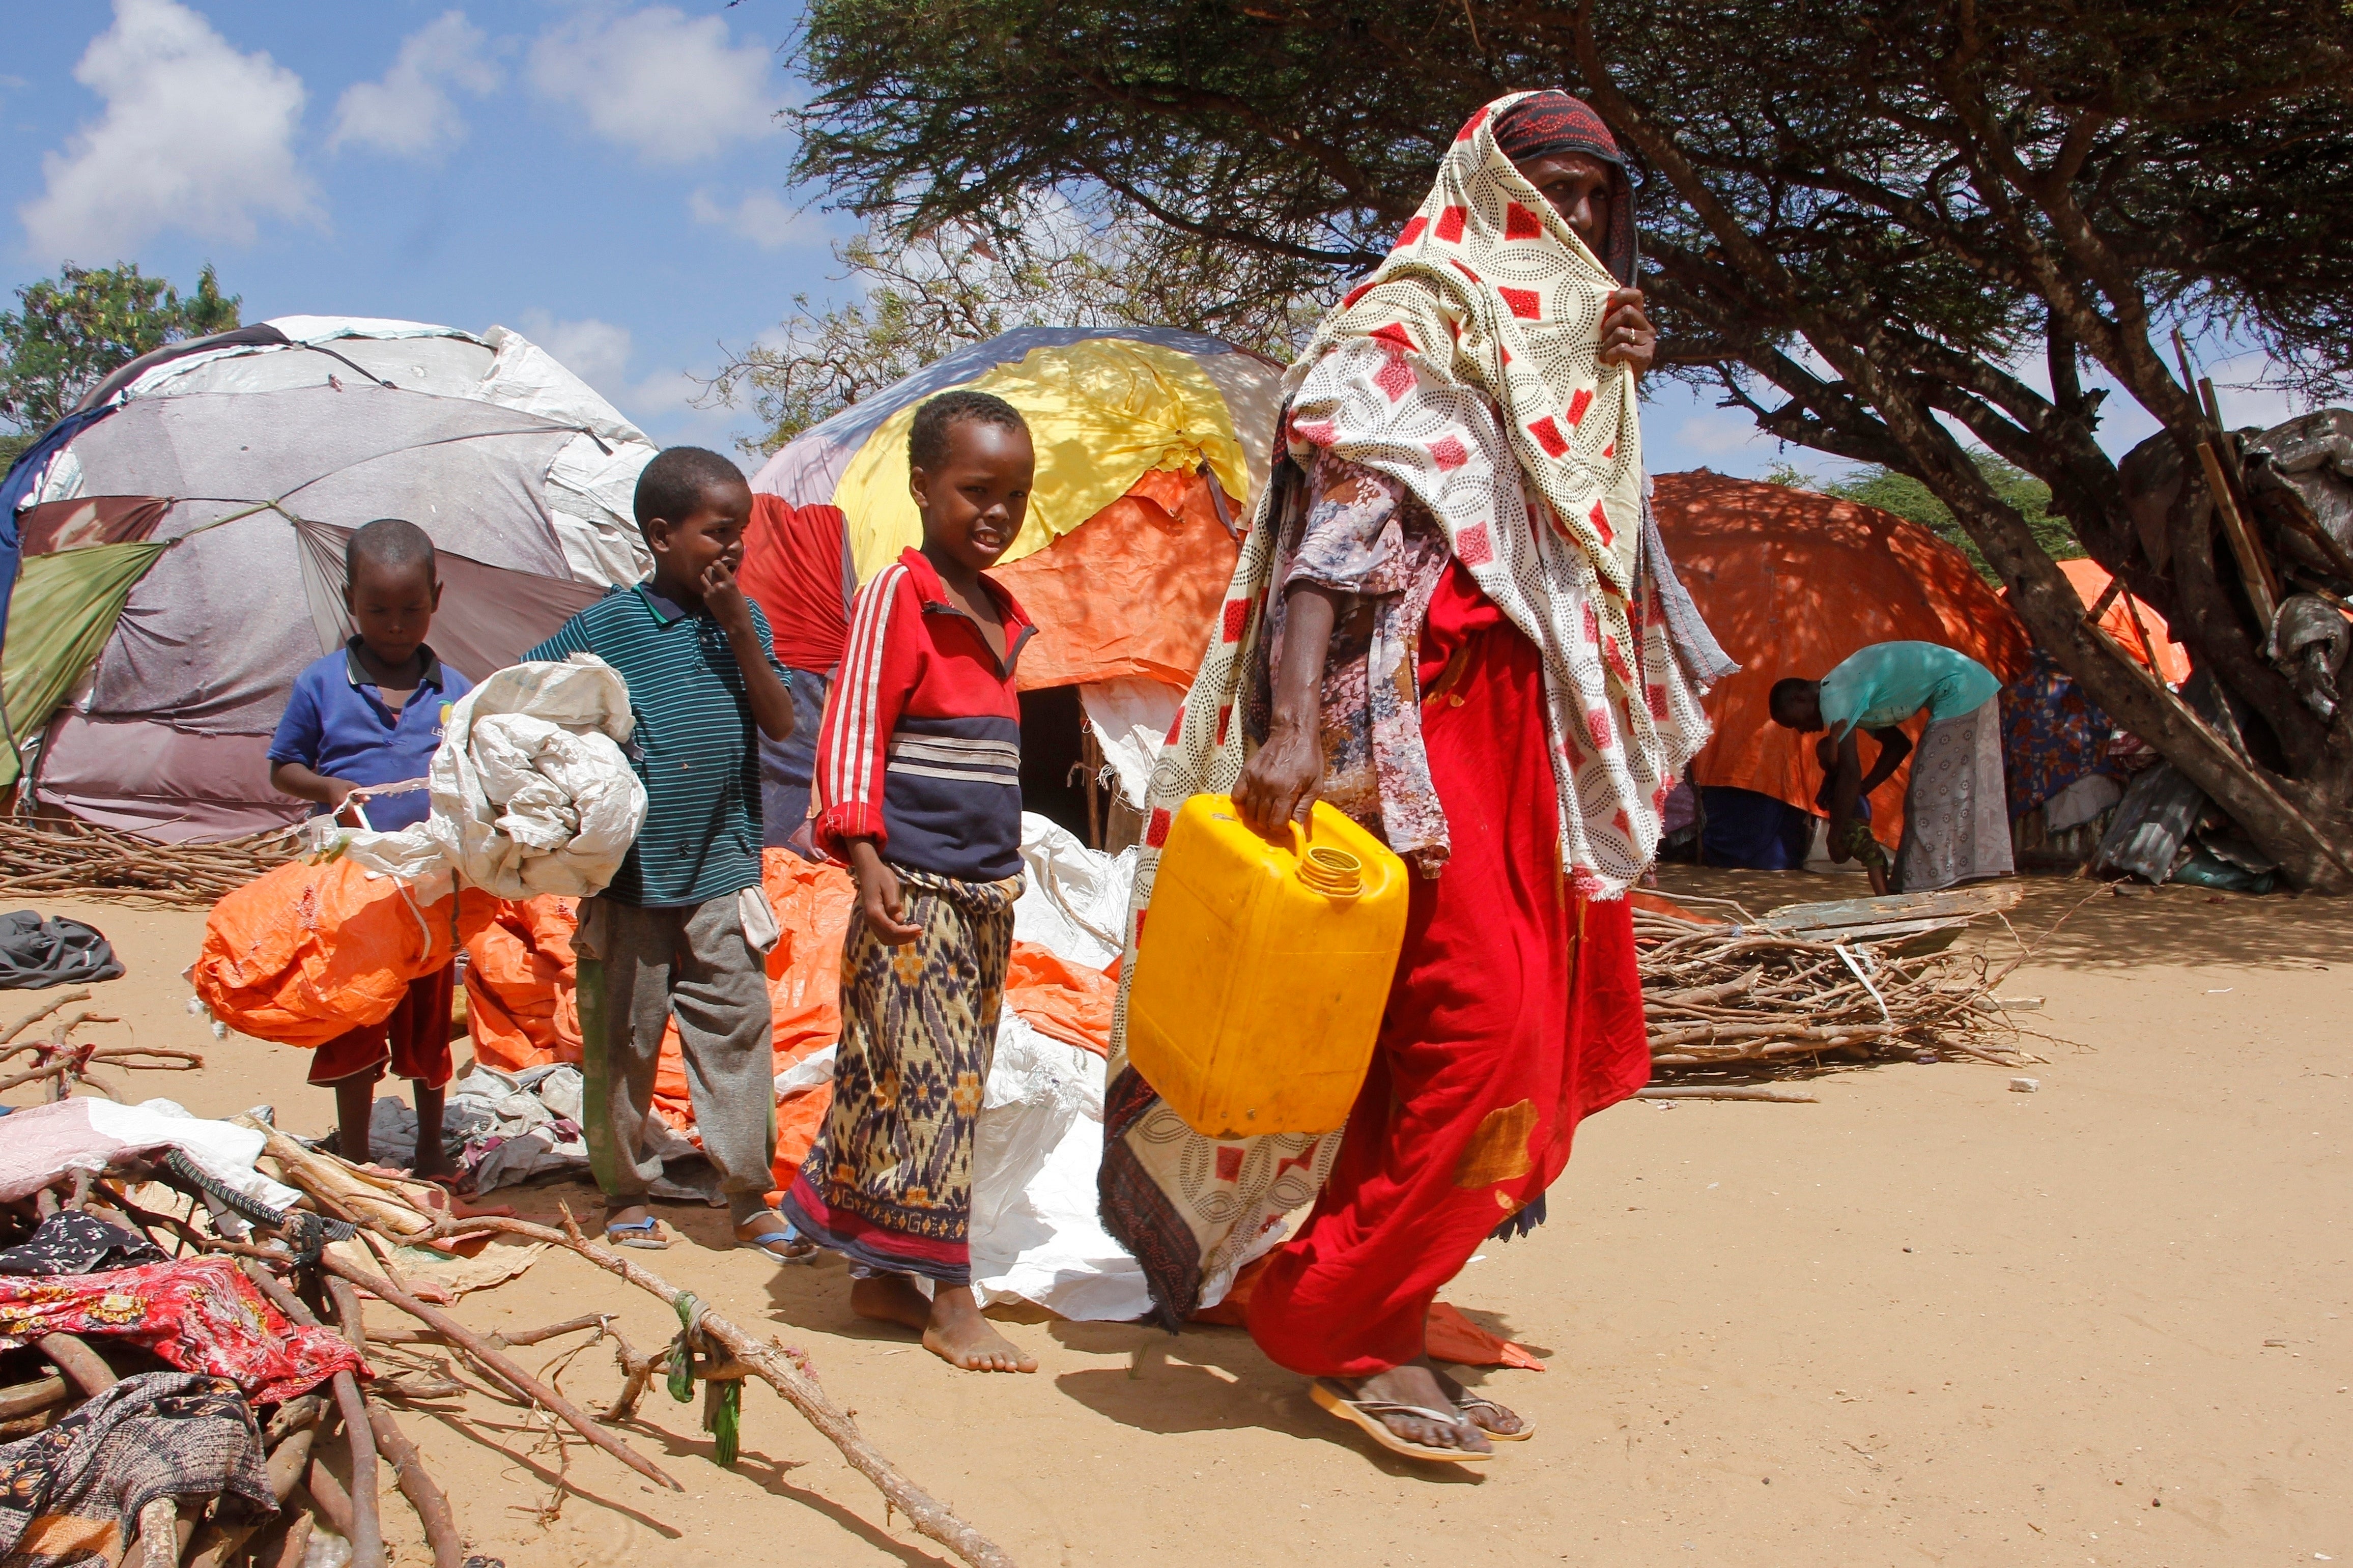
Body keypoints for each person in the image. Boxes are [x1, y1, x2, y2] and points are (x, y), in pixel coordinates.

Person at [1098, 90, 1723, 1462]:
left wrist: (1601, 370)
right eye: (1548, 186)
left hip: (1529, 742)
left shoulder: (1571, 352)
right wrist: (1288, 726)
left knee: (1499, 1046)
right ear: (1489, 188)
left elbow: (1584, 545)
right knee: (1477, 1037)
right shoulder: (1411, 314)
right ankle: (1328, 1321)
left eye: (1594, 194)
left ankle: (1381, 1306)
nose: (1571, 218)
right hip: (1412, 740)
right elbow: (1331, 535)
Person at [781, 390, 1040, 1374]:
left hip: (980, 896)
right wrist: (861, 853)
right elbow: (854, 723)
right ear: (923, 485)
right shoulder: (902, 593)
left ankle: (874, 1273)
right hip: (914, 891)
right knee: (935, 1084)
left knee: (897, 1072)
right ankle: (951, 1297)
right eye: (976, 489)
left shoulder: (1001, 614)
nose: (996, 512)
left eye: (1014, 494)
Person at [523, 446, 804, 1258]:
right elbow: (531, 699)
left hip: (721, 868)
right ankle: (624, 1191)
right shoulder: (607, 626)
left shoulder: (742, 623)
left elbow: (781, 723)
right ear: (659, 535)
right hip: (628, 880)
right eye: (717, 532)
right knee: (622, 1040)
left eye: (740, 534)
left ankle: (748, 1192)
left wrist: (737, 631)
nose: (733, 549)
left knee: (736, 1031)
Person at [267, 518, 472, 1178]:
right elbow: (283, 766)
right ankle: (353, 1152)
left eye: (410, 609)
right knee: (352, 1011)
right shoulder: (321, 685)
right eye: (377, 609)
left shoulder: (458, 692)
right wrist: (327, 786)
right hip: (349, 889)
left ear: (436, 598)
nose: (394, 624)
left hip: (427, 887)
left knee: (428, 1014)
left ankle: (429, 1147)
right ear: (350, 599)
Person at [1769, 641, 2014, 893]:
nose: (1802, 731)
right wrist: (1864, 790)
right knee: (1926, 792)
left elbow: (1849, 773)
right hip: (1971, 686)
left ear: (1800, 698)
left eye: (1794, 722)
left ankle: (1925, 886)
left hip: (1963, 691)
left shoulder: (1834, 697)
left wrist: (1836, 835)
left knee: (1928, 794)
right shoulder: (1847, 693)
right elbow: (1897, 745)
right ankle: (1913, 884)